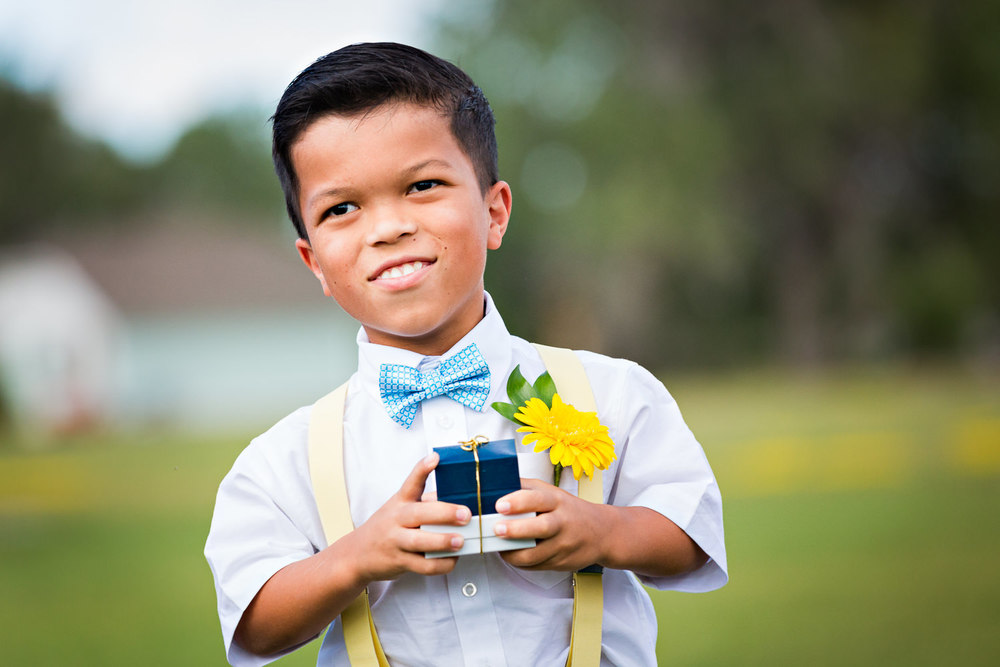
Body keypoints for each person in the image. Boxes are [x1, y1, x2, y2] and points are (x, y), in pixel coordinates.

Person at [205, 42, 727, 666]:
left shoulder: (612, 390)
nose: (388, 227)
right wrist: (356, 557)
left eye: (422, 185)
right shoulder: (282, 460)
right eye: (342, 208)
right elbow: (255, 626)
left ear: (494, 212)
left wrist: (602, 530)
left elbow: (693, 535)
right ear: (314, 261)